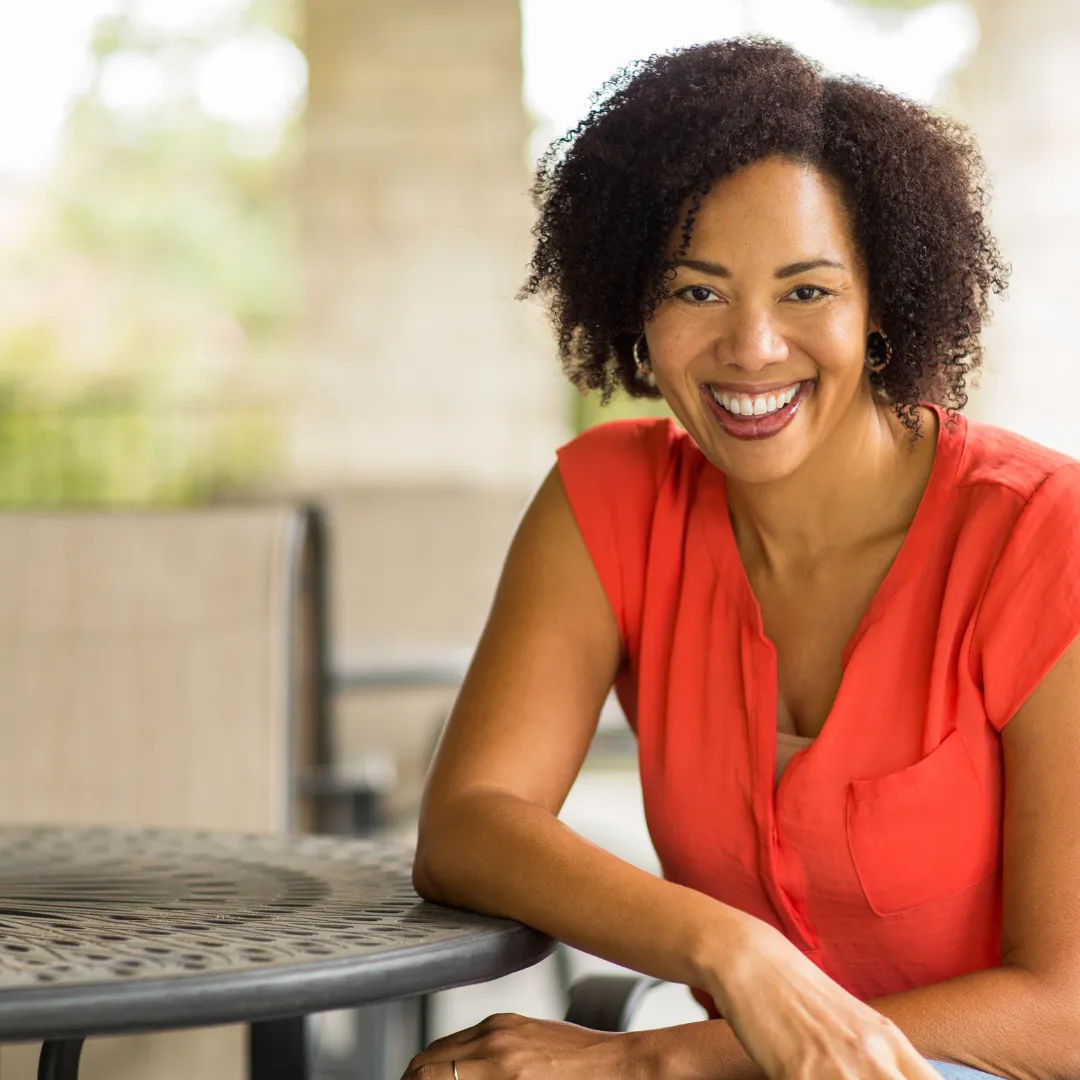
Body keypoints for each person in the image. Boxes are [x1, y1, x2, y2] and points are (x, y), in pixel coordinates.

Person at [404, 38, 1080, 1080]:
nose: (753, 347)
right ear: (634, 304)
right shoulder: (612, 502)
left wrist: (654, 1060)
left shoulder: (1042, 536)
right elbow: (468, 824)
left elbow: (1066, 1015)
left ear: (884, 305)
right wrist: (734, 952)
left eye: (807, 292)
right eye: (698, 291)